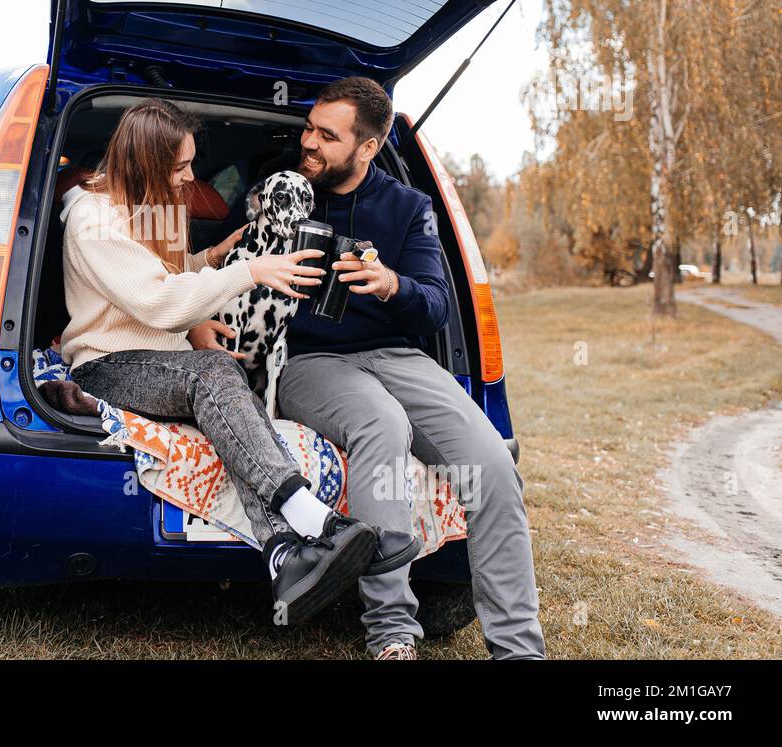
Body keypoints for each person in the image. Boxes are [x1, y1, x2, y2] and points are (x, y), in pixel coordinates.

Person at [194, 76, 546, 659]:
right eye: (309, 126)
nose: (308, 141)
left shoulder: (408, 207)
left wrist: (391, 285)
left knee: (492, 468)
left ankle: (518, 651)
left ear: (368, 147)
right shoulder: (279, 189)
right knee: (382, 426)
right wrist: (198, 318)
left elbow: (435, 303)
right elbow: (226, 260)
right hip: (309, 361)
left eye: (326, 136)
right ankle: (392, 634)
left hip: (398, 357)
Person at [59, 97, 416, 626]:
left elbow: (171, 276)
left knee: (230, 406)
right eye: (179, 167)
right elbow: (157, 299)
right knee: (216, 373)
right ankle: (317, 519)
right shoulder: (91, 219)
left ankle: (283, 556)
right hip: (106, 364)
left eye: (189, 164)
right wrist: (250, 273)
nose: (189, 177)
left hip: (166, 361)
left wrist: (213, 257)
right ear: (145, 164)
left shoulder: (159, 207)